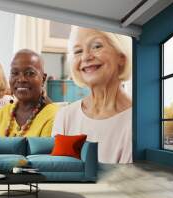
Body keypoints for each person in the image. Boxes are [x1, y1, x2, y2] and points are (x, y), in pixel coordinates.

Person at [52, 27, 132, 164]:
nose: (85, 57)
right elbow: (55, 170)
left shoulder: (136, 122)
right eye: (78, 51)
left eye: (96, 46)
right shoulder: (65, 116)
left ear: (121, 57)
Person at [0, 49, 58, 137]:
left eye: (30, 73)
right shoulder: (1, 114)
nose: (21, 79)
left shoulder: (54, 115)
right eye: (15, 73)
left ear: (43, 79)